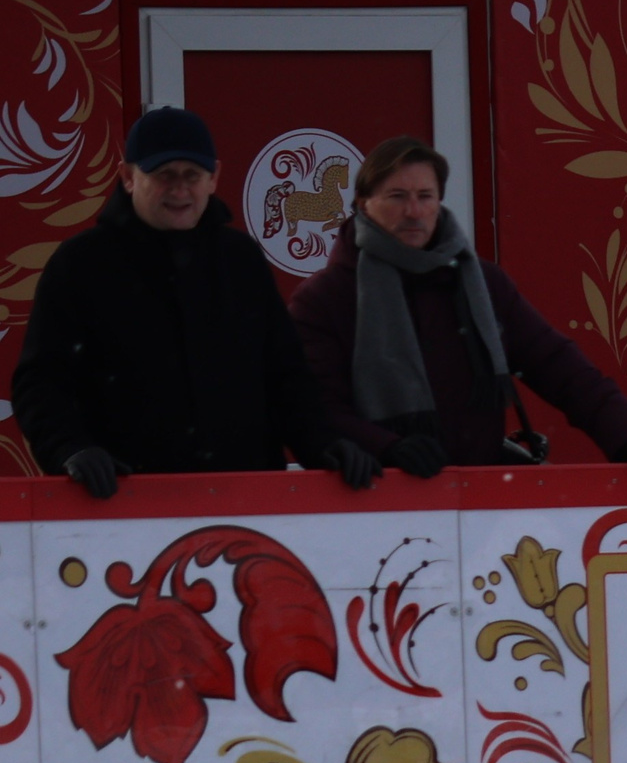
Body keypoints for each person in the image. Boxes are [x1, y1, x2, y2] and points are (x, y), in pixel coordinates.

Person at [13, 107, 378, 498]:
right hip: (122, 504)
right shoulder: (81, 264)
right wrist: (70, 449)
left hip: (244, 500)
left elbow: (286, 376)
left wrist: (323, 444)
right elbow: (41, 381)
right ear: (128, 177)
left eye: (192, 175)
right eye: (164, 175)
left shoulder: (241, 261)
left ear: (214, 177)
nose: (180, 190)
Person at [293, 135, 627, 485]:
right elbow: (314, 408)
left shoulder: (481, 284)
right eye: (397, 196)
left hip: (482, 502)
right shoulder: (325, 298)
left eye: (425, 196)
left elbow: (559, 367)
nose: (413, 211)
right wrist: (388, 448)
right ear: (364, 203)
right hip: (376, 502)